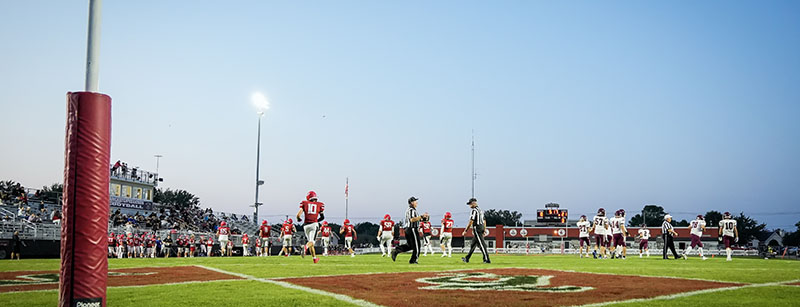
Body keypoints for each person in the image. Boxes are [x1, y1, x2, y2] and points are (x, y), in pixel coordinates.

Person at [392, 197, 427, 264]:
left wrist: (423, 219)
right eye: (415, 201)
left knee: (410, 246)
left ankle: (397, 250)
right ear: (412, 202)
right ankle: (413, 261)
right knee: (417, 246)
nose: (417, 202)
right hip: (412, 229)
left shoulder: (412, 210)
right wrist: (421, 217)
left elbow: (415, 219)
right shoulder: (411, 210)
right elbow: (412, 219)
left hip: (409, 229)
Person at [297, 190, 324, 263]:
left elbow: (298, 215)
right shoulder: (319, 204)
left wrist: (298, 218)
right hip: (314, 225)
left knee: (310, 242)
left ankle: (314, 259)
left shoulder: (304, 203)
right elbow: (322, 217)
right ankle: (305, 247)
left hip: (306, 225)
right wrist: (316, 220)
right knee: (311, 242)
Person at [462, 198, 490, 264]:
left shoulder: (474, 210)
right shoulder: (480, 210)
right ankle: (467, 258)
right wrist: (484, 229)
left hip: (477, 228)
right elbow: (484, 221)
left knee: (482, 244)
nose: (470, 206)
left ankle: (487, 259)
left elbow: (471, 221)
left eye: (470, 204)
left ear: (473, 203)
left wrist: (466, 230)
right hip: (481, 227)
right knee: (473, 244)